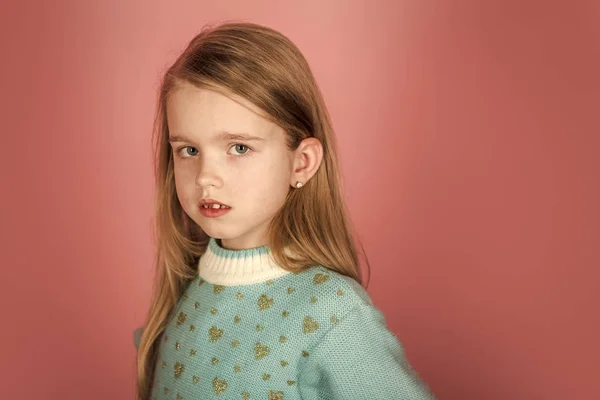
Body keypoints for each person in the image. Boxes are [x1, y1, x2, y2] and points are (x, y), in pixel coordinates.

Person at [134, 20, 436, 400]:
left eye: (239, 148)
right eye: (189, 150)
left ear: (301, 163)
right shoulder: (184, 289)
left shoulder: (332, 315)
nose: (206, 177)